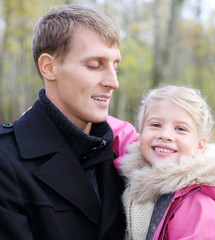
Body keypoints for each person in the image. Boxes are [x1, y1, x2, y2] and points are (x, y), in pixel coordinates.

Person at [0, 5, 138, 240]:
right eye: (95, 65)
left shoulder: (122, 155)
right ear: (49, 67)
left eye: (115, 66)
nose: (113, 82)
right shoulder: (6, 159)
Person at [111, 85, 215, 239]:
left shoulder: (200, 204)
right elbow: (119, 131)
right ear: (141, 133)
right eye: (155, 125)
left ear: (199, 145)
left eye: (180, 129)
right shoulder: (139, 158)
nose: (165, 135)